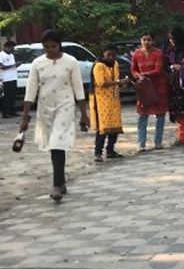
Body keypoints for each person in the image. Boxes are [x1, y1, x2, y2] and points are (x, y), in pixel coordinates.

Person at [19, 30, 90, 202]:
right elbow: (31, 90)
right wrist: (25, 116)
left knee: (58, 142)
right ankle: (61, 180)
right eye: (47, 47)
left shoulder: (70, 62)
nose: (50, 49)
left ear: (60, 45)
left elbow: (78, 88)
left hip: (65, 105)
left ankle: (56, 185)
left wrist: (83, 114)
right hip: (45, 107)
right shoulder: (38, 63)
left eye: (54, 46)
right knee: (54, 145)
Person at [131, 32, 170, 152]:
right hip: (144, 88)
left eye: (149, 40)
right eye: (144, 39)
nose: (146, 42)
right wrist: (138, 76)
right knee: (142, 116)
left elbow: (158, 69)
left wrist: (146, 74)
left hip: (158, 87)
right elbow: (133, 69)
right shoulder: (136, 54)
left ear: (152, 41)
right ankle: (141, 143)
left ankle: (158, 142)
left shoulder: (158, 53)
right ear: (141, 40)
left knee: (160, 115)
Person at [89, 44, 127, 163]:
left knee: (114, 126)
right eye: (109, 55)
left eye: (113, 55)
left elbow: (116, 79)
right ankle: (98, 152)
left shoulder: (115, 64)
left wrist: (122, 83)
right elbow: (100, 82)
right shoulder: (99, 66)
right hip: (101, 100)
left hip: (113, 99)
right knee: (103, 127)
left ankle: (110, 150)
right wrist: (117, 82)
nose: (111, 57)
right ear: (103, 53)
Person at [1, 39, 18, 118]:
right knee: (6, 97)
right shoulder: (1, 55)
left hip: (13, 77)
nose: (13, 49)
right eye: (12, 47)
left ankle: (12, 111)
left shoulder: (11, 55)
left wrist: (17, 65)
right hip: (6, 79)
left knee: (12, 96)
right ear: (7, 47)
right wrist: (13, 65)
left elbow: (13, 65)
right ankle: (5, 113)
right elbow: (2, 66)